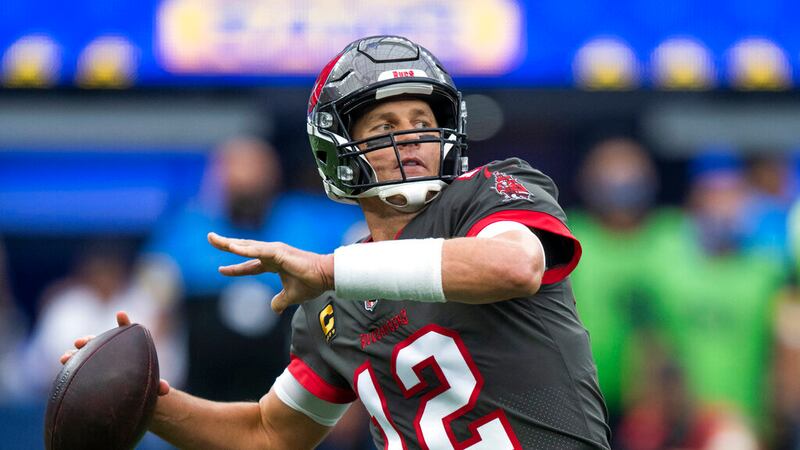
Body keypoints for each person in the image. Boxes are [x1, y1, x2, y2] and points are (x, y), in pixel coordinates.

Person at [62, 35, 611, 449]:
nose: (412, 139)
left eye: (423, 121)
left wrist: (331, 271)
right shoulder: (332, 303)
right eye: (385, 128)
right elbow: (268, 433)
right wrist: (148, 402)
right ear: (339, 151)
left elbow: (515, 265)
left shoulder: (489, 192)